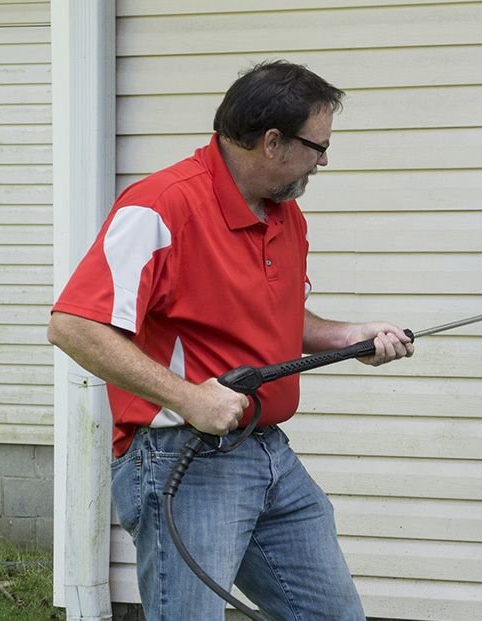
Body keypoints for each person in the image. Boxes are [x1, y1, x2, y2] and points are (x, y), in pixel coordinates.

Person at [47, 61, 413, 620]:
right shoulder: (160, 207)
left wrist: (349, 335)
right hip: (184, 460)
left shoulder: (285, 216)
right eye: (318, 145)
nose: (324, 159)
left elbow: (277, 315)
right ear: (272, 142)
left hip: (268, 453)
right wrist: (190, 397)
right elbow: (74, 325)